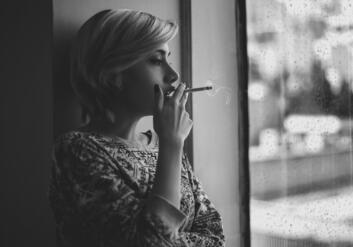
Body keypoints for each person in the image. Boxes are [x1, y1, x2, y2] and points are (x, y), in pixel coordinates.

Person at [48, 9, 225, 247]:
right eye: (156, 60)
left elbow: (214, 236)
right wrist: (173, 143)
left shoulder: (161, 146)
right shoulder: (77, 151)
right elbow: (152, 243)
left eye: (168, 59)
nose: (173, 76)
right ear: (112, 74)